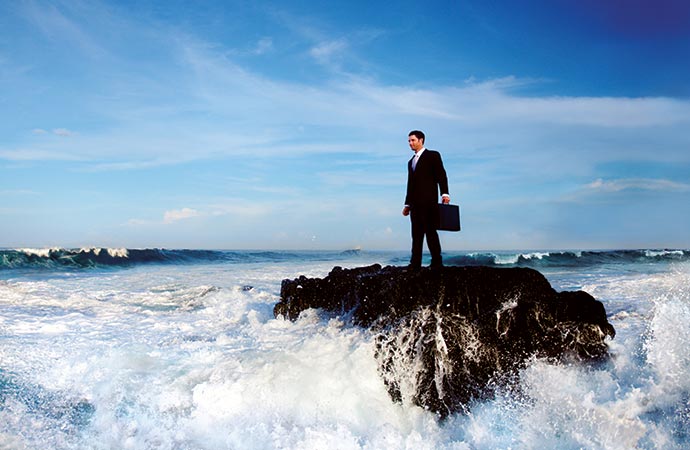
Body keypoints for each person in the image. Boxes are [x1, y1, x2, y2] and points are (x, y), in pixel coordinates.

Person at [402, 130, 450, 269]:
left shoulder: (432, 155)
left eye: (413, 140)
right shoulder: (410, 162)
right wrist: (407, 204)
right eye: (409, 141)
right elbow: (410, 184)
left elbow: (441, 175)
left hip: (429, 202)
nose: (410, 143)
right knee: (416, 235)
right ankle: (415, 263)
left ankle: (437, 262)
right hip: (415, 205)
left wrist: (445, 194)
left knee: (430, 233)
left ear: (421, 140)